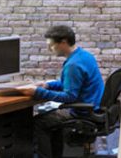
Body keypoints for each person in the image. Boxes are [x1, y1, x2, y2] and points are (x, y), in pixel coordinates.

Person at [17, 25, 104, 158]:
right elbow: (71, 84)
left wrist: (37, 92)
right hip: (94, 107)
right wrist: (47, 85)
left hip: (84, 113)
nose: (49, 49)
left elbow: (69, 96)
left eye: (51, 45)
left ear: (63, 42)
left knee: (39, 123)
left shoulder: (73, 64)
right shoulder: (84, 55)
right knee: (51, 121)